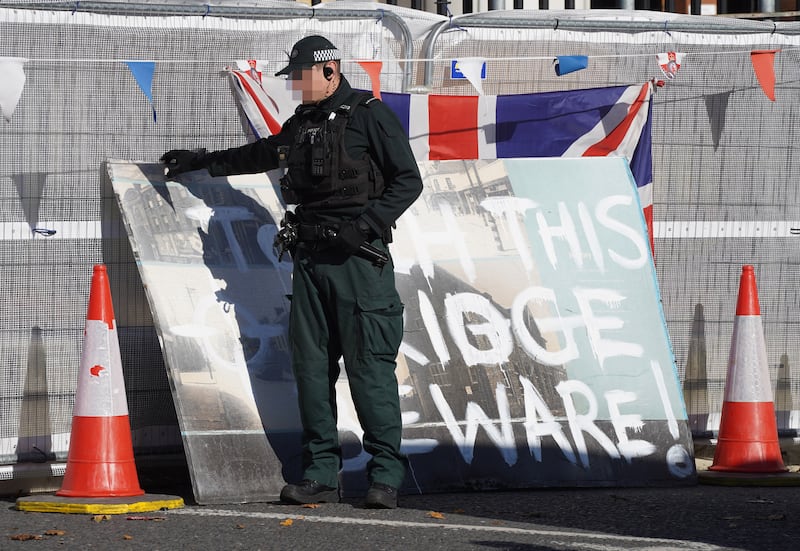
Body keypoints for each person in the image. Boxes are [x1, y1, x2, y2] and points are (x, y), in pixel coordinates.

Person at [161, 35, 422, 509]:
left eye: (303, 77)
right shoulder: (303, 123)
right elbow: (261, 154)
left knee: (370, 370)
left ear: (331, 71)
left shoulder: (370, 115)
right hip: (310, 259)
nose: (298, 87)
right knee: (311, 368)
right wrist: (201, 162)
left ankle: (385, 476)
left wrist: (363, 226)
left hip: (359, 263)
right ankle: (321, 472)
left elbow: (408, 181)